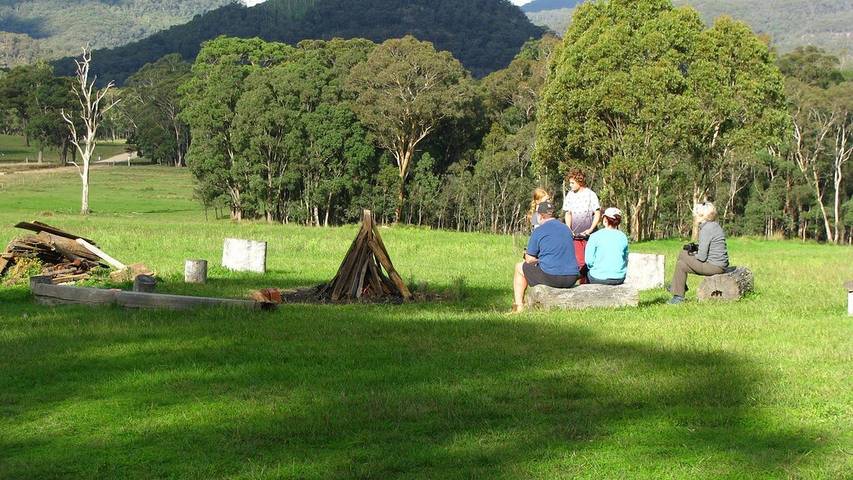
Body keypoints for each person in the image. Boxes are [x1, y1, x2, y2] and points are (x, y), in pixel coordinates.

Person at [513, 201, 578, 313]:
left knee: (519, 267)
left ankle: (519, 306)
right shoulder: (566, 229)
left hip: (552, 277)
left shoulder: (539, 231)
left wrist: (538, 259)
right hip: (571, 277)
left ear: (540, 216)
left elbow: (529, 259)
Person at [669, 202, 730, 304]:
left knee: (682, 253)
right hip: (719, 265)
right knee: (681, 265)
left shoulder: (706, 229)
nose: (695, 217)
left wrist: (692, 254)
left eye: (696, 215)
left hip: (714, 267)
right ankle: (678, 297)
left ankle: (678, 286)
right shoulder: (714, 226)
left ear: (702, 216)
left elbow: (702, 257)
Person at [562, 169, 601, 283]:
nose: (571, 186)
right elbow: (568, 213)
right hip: (575, 235)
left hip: (589, 235)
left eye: (572, 183)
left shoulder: (591, 194)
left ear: (580, 181)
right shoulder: (570, 195)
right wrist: (568, 229)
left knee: (589, 261)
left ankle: (588, 283)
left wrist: (590, 229)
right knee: (578, 262)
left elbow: (597, 213)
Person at [585, 207, 628, 285]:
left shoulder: (595, 236)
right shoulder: (623, 236)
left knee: (586, 274)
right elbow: (625, 258)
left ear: (605, 220)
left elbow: (589, 261)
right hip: (619, 278)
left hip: (598, 278)